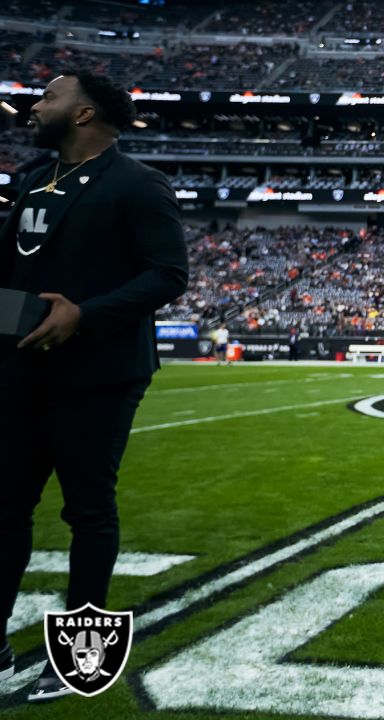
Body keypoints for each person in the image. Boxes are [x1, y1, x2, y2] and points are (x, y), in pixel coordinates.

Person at [0, 70, 188, 702]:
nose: (35, 104)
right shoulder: (31, 180)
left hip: (99, 374)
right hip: (21, 367)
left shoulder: (138, 184)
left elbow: (167, 275)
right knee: (3, 507)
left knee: (87, 510)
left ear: (83, 115)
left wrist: (85, 313)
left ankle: (79, 655)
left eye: (50, 96)